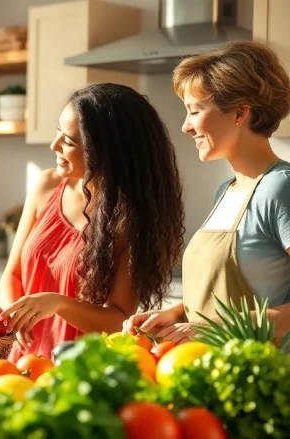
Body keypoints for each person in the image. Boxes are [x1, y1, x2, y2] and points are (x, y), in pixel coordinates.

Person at [0, 82, 186, 360]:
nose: (54, 145)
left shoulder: (130, 221)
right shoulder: (47, 185)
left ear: (107, 153)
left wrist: (59, 304)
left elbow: (117, 319)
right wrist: (15, 318)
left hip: (79, 365)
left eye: (69, 142)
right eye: (58, 132)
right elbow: (12, 275)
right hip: (22, 360)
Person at [123, 41, 290, 345]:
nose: (186, 126)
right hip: (207, 368)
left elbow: (221, 321)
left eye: (195, 111)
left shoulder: (280, 188)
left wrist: (214, 327)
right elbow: (217, 302)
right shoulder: (226, 192)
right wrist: (175, 314)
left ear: (240, 112)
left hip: (264, 372)